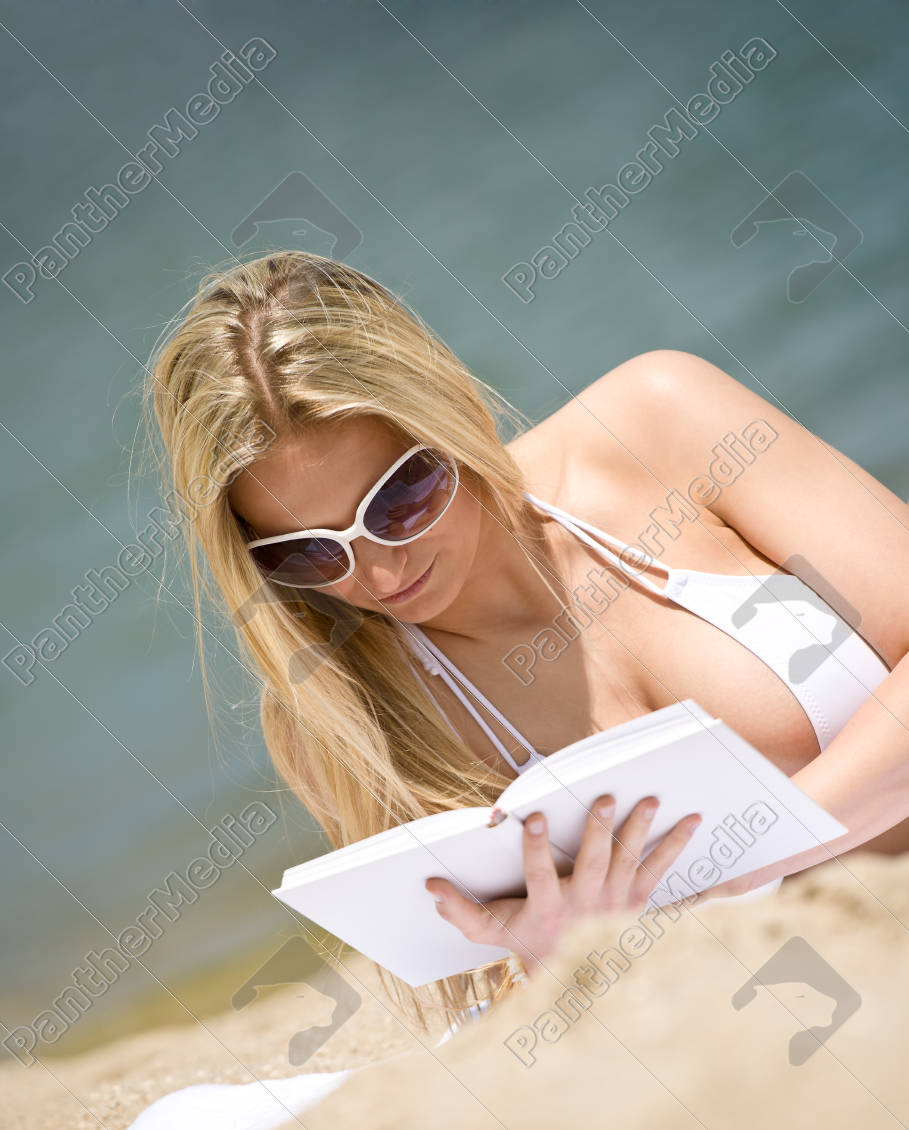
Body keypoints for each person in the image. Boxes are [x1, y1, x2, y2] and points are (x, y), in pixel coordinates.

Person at [148, 251, 909, 1034]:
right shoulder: (342, 718)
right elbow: (517, 1020)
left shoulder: (658, 421)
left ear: (447, 406)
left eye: (399, 498)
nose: (376, 570)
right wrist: (561, 965)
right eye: (305, 551)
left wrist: (738, 867)